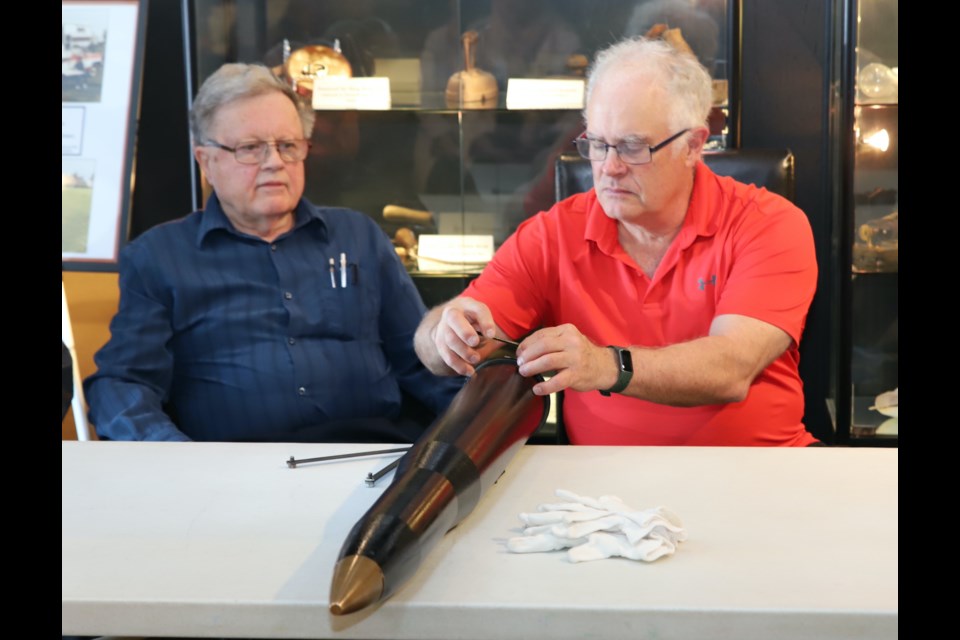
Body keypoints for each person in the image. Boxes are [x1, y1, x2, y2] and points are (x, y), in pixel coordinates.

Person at [414, 37, 819, 446]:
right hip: (601, 495)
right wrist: (445, 334)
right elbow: (436, 344)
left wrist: (607, 365)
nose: (608, 168)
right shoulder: (552, 233)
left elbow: (731, 369)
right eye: (598, 144)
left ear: (693, 145)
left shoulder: (768, 223)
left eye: (632, 147)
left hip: (760, 469)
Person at [85, 63, 463, 443]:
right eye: (251, 148)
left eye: (288, 146)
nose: (274, 163)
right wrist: (176, 458)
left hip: (371, 458)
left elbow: (423, 362)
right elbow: (121, 384)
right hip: (232, 473)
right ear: (206, 161)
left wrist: (482, 430)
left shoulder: (359, 236)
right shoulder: (159, 257)